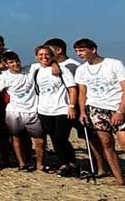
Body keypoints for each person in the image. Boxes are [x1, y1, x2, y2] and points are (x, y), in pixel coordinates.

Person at [73, 39, 125, 195]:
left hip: (117, 109)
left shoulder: (114, 64)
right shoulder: (81, 70)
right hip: (96, 110)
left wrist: (121, 111)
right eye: (77, 51)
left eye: (82, 50)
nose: (79, 54)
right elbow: (82, 93)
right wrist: (83, 112)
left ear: (93, 49)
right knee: (107, 144)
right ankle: (119, 179)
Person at [46, 37, 108, 176]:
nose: (47, 54)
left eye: (50, 51)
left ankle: (101, 166)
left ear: (59, 50)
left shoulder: (72, 65)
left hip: (78, 107)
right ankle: (69, 163)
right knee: (60, 137)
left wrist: (79, 107)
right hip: (62, 108)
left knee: (90, 137)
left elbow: (80, 88)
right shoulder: (52, 65)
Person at [0, 51, 46, 172]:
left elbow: (44, 62)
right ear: (6, 64)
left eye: (17, 61)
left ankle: (40, 165)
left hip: (32, 110)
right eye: (11, 62)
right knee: (16, 138)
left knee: (40, 140)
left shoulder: (30, 69)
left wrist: (54, 65)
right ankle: (22, 164)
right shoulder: (3, 77)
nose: (16, 64)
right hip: (14, 111)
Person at [33, 45, 79, 176]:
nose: (44, 57)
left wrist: (71, 106)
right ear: (36, 57)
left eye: (47, 54)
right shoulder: (36, 70)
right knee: (54, 139)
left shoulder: (62, 69)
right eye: (40, 55)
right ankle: (64, 164)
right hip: (44, 110)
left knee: (61, 138)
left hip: (62, 109)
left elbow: (72, 89)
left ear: (52, 55)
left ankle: (72, 163)